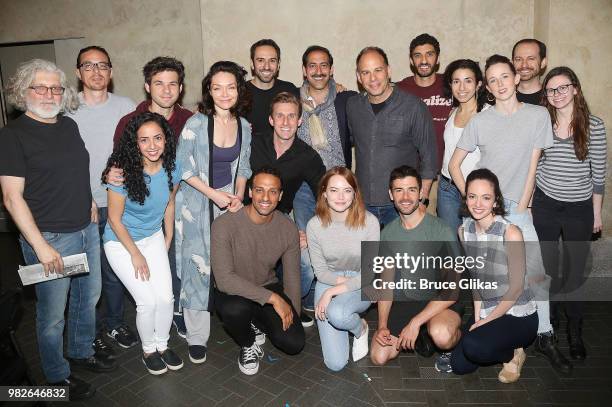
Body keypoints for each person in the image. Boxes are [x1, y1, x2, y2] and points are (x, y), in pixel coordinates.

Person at [449, 54, 572, 375]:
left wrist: (524, 202)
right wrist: (475, 202)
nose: (500, 84)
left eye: (505, 76)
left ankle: (543, 335)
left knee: (536, 276)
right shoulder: (480, 121)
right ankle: (494, 330)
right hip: (482, 215)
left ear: (516, 78)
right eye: (493, 80)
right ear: (487, 87)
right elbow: (453, 165)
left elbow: (533, 161)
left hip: (517, 213)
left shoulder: (538, 115)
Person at [0, 59, 113, 400]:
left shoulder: (67, 126)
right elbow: (11, 197)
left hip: (85, 226)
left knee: (88, 297)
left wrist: (90, 203)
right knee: (51, 316)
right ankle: (55, 376)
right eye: (40, 87)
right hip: (48, 237)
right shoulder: (12, 136)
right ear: (24, 91)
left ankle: (79, 351)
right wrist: (40, 246)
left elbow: (77, 171)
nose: (48, 94)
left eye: (55, 88)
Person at [108, 56, 193, 338]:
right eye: (159, 83)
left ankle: (174, 315)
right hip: (136, 208)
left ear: (180, 88)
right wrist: (110, 175)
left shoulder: (190, 121)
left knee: (177, 265)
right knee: (143, 278)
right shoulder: (129, 122)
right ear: (147, 86)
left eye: (172, 84)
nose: (166, 90)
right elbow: (118, 164)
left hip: (177, 201)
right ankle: (136, 325)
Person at [174, 61, 252, 365]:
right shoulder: (195, 124)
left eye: (230, 87)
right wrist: (214, 196)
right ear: (209, 90)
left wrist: (238, 196)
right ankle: (196, 337)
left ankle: (242, 322)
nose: (224, 93)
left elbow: (244, 166)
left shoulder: (244, 126)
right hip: (197, 205)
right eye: (217, 87)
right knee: (197, 269)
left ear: (238, 90)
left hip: (229, 204)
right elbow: (184, 169)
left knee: (230, 265)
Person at [533, 66, 607, 361]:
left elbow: (598, 174)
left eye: (563, 87)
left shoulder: (594, 125)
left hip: (579, 209)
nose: (557, 94)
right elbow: (536, 164)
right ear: (546, 96)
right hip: (546, 205)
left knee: (575, 272)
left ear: (575, 88)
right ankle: (547, 327)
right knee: (547, 270)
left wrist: (596, 214)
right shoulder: (542, 123)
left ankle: (575, 331)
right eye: (551, 90)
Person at [436, 168, 538, 383]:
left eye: (486, 197)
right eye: (472, 196)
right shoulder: (464, 231)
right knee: (459, 365)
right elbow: (475, 279)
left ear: (495, 201)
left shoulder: (510, 232)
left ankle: (514, 354)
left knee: (475, 346)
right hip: (488, 307)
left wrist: (486, 321)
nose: (478, 204)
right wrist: (478, 316)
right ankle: (490, 338)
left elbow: (517, 287)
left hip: (518, 313)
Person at [67, 45, 137, 356]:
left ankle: (114, 321)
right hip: (82, 205)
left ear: (111, 71)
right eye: (89, 65)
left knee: (114, 269)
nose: (96, 71)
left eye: (103, 65)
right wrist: (82, 197)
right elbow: (61, 162)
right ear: (78, 72)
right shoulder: (65, 108)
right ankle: (90, 331)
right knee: (85, 274)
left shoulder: (126, 106)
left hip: (119, 203)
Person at [102, 112, 183, 375]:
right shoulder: (121, 173)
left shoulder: (172, 166)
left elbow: (169, 203)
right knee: (147, 300)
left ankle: (162, 344)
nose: (152, 146)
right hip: (121, 242)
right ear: (134, 143)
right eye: (144, 140)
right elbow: (114, 220)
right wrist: (136, 254)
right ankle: (149, 350)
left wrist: (168, 236)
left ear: (166, 139)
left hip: (153, 237)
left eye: (157, 138)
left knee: (166, 297)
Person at [211, 167, 305, 375]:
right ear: (250, 193)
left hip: (265, 284)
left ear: (280, 196)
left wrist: (293, 315)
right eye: (260, 190)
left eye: (273, 191)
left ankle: (254, 320)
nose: (265, 197)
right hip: (233, 291)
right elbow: (225, 280)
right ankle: (248, 341)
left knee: (293, 342)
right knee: (235, 310)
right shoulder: (224, 224)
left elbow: (292, 278)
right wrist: (273, 299)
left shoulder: (287, 227)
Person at [370, 166, 463, 366]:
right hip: (407, 299)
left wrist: (415, 322)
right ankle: (422, 337)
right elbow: (386, 285)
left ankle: (452, 338)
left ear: (421, 193)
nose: (405, 196)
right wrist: (383, 326)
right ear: (391, 195)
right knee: (379, 356)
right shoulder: (387, 234)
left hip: (440, 301)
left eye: (412, 190)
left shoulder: (441, 230)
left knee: (442, 335)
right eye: (399, 190)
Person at [249, 91, 326, 327]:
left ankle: (289, 301)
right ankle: (256, 309)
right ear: (271, 120)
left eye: (291, 116)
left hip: (280, 217)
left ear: (299, 120)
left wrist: (311, 233)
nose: (285, 122)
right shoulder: (254, 144)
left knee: (305, 262)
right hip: (247, 214)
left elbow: (324, 196)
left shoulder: (307, 156)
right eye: (280, 116)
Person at [294, 45, 357, 315]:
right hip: (304, 191)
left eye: (323, 66)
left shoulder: (346, 99)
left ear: (331, 69)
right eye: (312, 66)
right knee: (306, 253)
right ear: (304, 70)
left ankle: (337, 297)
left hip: (340, 190)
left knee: (337, 250)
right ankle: (306, 300)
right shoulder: (292, 102)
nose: (318, 71)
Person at [347, 47, 437, 226]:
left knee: (399, 254)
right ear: (358, 77)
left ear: (388, 71)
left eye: (378, 70)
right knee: (368, 254)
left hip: (401, 205)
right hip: (362, 204)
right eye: (366, 72)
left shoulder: (414, 107)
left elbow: (429, 157)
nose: (373, 78)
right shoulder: (353, 106)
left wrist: (422, 199)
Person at [306, 167, 379, 371]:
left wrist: (332, 292)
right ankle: (351, 321)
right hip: (329, 278)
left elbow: (369, 272)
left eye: (347, 190)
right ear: (324, 193)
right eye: (334, 190)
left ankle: (360, 328)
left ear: (355, 194)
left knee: (337, 313)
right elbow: (320, 272)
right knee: (335, 364)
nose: (340, 197)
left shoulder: (370, 222)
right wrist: (336, 285)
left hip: (363, 281)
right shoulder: (314, 226)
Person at [437, 59, 487, 231]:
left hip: (476, 191)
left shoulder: (487, 114)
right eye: (456, 81)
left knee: (475, 245)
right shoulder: (453, 111)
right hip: (447, 188)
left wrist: (471, 196)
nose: (462, 87)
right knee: (450, 244)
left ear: (478, 84)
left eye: (468, 81)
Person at [397, 33, 452, 173]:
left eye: (429, 54)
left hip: (449, 175)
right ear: (411, 60)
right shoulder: (399, 90)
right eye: (417, 55)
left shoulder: (453, 85)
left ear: (437, 58)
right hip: (412, 175)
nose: (423, 60)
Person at [246, 39, 300, 138]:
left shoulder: (289, 90)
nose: (266, 66)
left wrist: (332, 86)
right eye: (260, 60)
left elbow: (311, 92)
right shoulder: (239, 92)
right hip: (250, 153)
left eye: (272, 60)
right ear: (252, 64)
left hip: (285, 152)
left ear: (278, 64)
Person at [512, 39, 547, 105]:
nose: (524, 65)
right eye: (518, 59)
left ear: (543, 63)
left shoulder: (553, 99)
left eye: (531, 59)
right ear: (512, 63)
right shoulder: (503, 97)